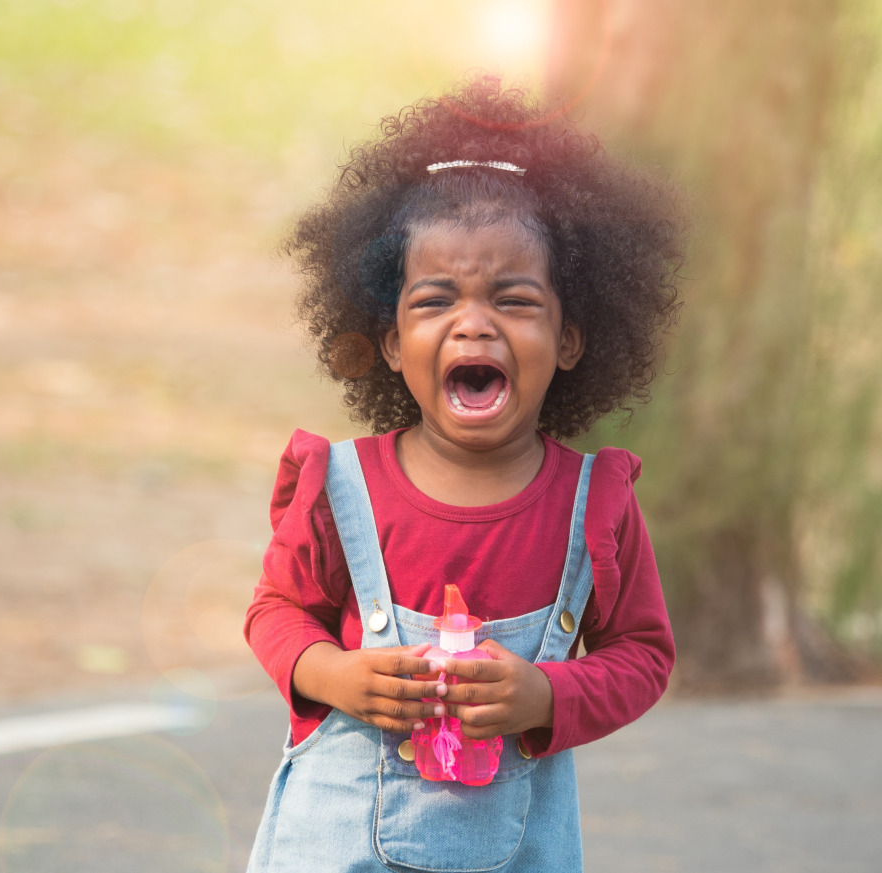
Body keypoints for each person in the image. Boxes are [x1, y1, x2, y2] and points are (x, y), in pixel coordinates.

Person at [243, 76, 686, 873]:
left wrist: (547, 695)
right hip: (336, 843)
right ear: (389, 343)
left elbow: (642, 652)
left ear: (572, 337)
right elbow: (277, 611)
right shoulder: (340, 485)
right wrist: (335, 673)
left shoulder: (595, 504)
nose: (472, 322)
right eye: (435, 300)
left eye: (514, 300)